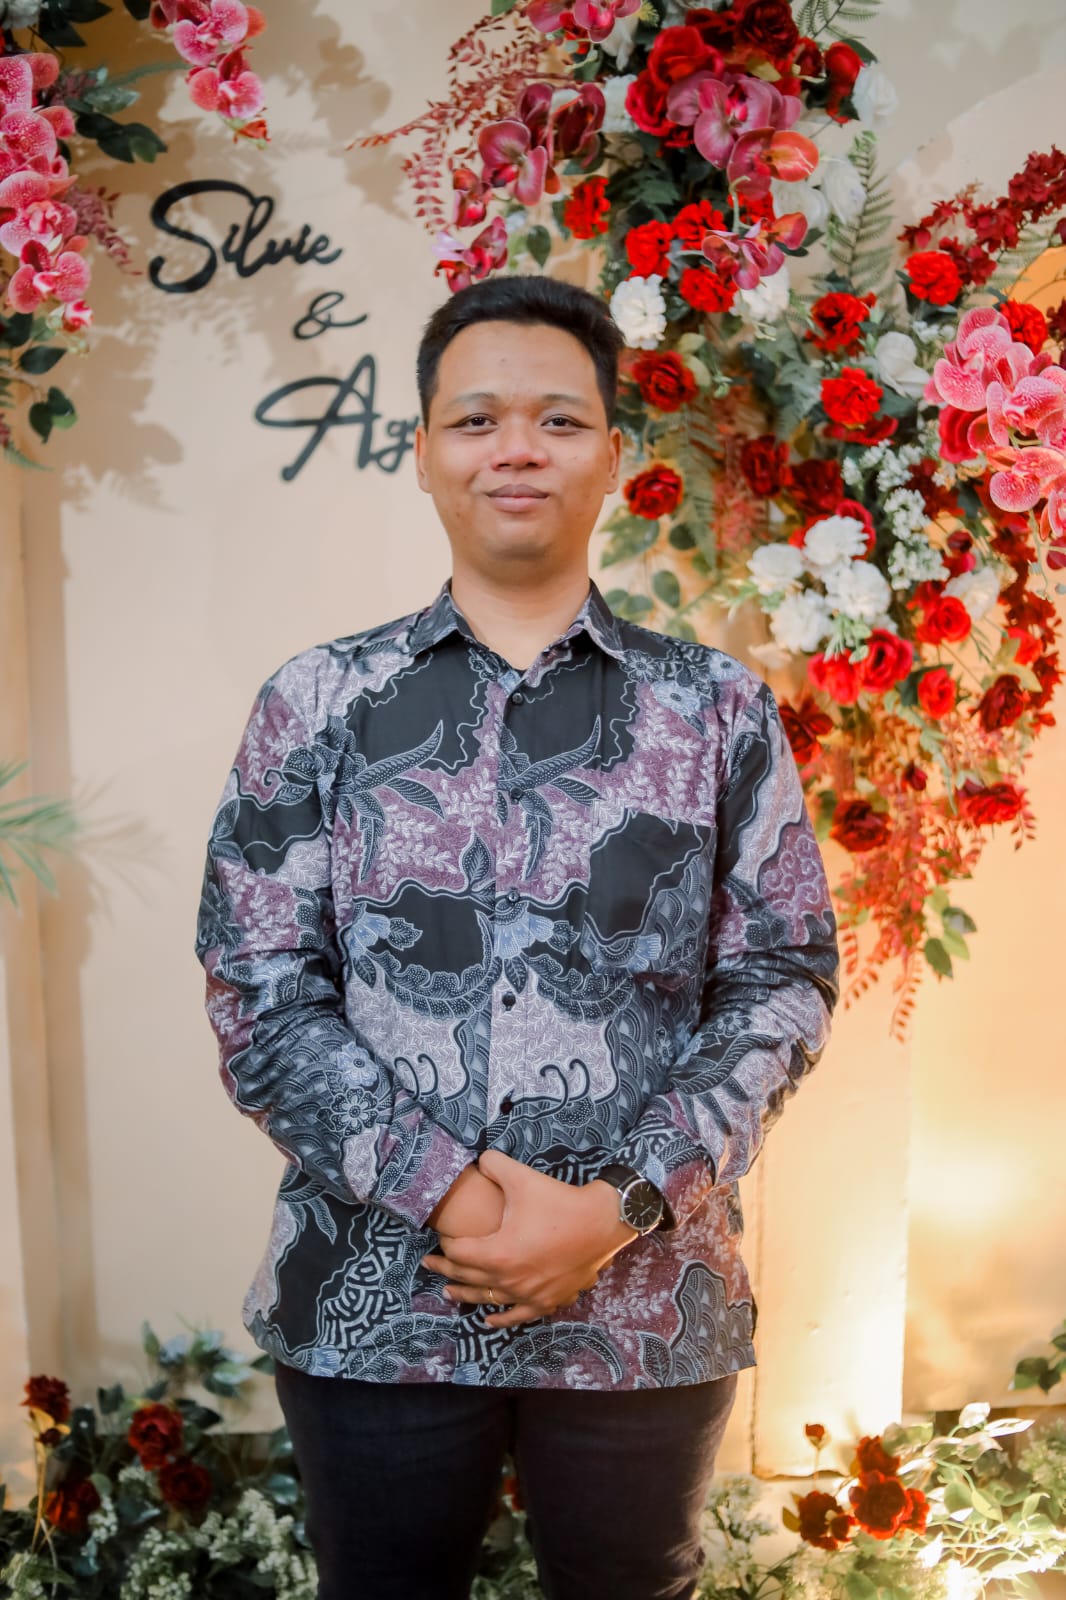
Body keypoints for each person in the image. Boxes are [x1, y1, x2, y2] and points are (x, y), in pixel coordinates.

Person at [193, 273, 840, 1600]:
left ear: (613, 452)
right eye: (476, 419)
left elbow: (781, 981)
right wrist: (457, 1197)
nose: (516, 450)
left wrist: (620, 1205)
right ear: (423, 449)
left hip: (646, 1306)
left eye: (557, 419)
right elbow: (258, 990)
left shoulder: (715, 710)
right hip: (375, 1300)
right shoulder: (318, 702)